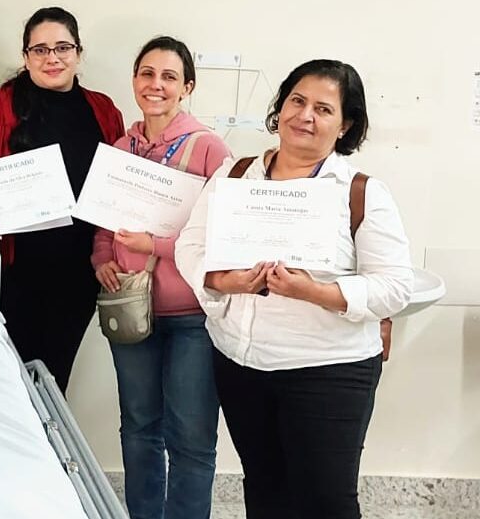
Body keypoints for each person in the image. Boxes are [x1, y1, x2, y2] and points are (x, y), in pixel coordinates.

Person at [175, 59, 412, 519]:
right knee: (264, 490)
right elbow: (191, 244)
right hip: (240, 364)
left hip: (327, 373)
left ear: (345, 125)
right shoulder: (234, 173)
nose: (305, 116)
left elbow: (394, 287)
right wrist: (223, 279)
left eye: (323, 109)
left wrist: (315, 292)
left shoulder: (362, 192)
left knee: (325, 502)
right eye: (297, 101)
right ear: (280, 107)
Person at [89, 36, 230, 519]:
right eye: (147, 74)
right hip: (130, 307)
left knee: (190, 439)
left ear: (187, 87)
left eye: (169, 77)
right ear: (134, 80)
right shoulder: (121, 146)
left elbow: (222, 237)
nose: (156, 85)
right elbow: (105, 219)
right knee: (138, 427)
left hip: (192, 316)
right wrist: (102, 257)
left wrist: (159, 248)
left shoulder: (211, 149)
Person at [0, 6, 124, 393]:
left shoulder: (103, 109)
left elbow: (115, 183)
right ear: (25, 57)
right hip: (18, 273)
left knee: (55, 378)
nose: (52, 58)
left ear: (79, 53)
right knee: (10, 380)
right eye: (40, 49)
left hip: (80, 273)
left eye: (62, 47)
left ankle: (50, 453)